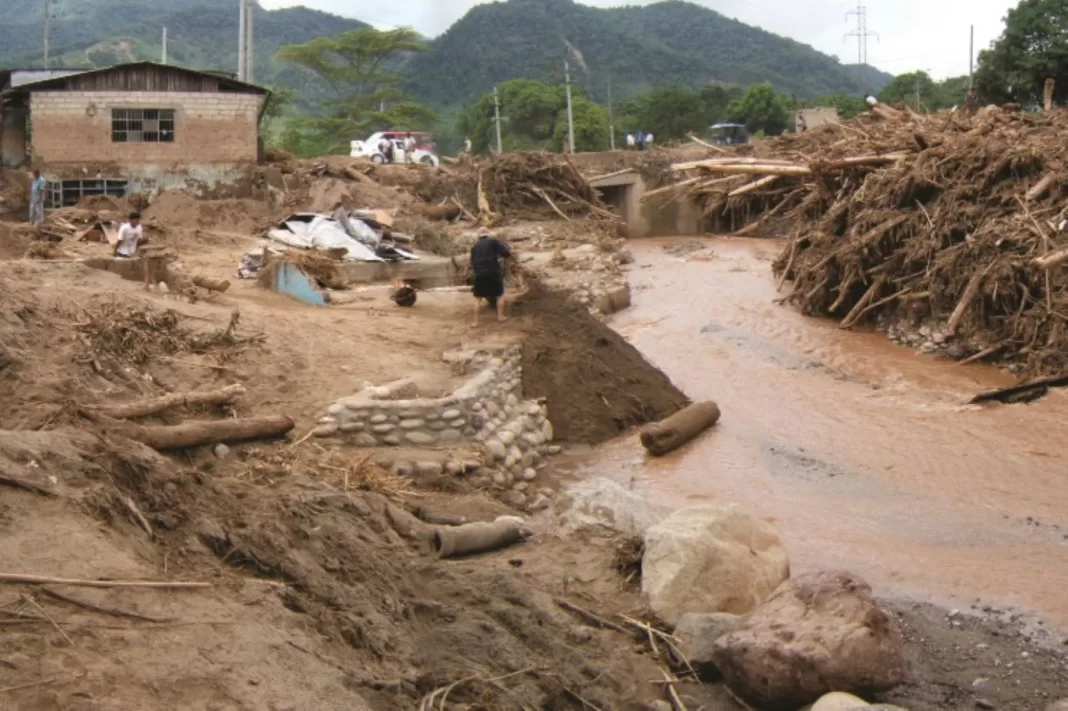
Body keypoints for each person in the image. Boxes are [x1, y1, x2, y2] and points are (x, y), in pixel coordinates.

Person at [470, 228, 511, 324]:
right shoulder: (493, 242)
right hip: (493, 272)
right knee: (500, 295)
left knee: (478, 298)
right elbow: (506, 253)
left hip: (479, 274)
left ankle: (475, 322)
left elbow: (472, 262)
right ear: (488, 235)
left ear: (478, 236)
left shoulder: (474, 247)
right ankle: (500, 317)